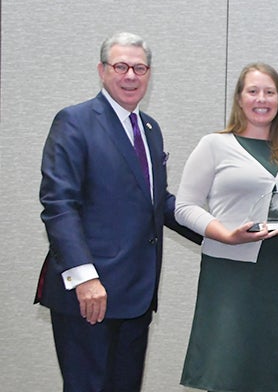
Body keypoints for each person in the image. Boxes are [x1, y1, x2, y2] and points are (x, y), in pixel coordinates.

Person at [35, 31, 202, 391]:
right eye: (121, 66)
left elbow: (158, 203)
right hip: (90, 295)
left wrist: (218, 230)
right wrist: (85, 278)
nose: (130, 76)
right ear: (102, 70)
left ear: (149, 73)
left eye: (139, 68)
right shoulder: (74, 121)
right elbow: (59, 205)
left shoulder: (149, 128)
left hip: (136, 295)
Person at [175, 62, 278, 392]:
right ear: (239, 99)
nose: (261, 99)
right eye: (253, 91)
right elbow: (184, 207)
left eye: (270, 92)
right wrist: (224, 234)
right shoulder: (214, 145)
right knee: (229, 373)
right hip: (230, 276)